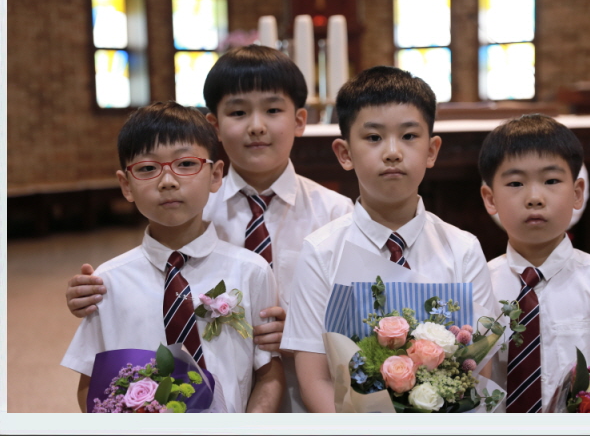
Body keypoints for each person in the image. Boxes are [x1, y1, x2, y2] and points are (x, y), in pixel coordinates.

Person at [64, 45, 354, 412]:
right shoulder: (192, 204)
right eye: (238, 112)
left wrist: (303, 332)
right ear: (214, 125)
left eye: (272, 110)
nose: (256, 126)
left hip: (308, 396)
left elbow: (354, 316)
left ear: (299, 120)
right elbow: (144, 284)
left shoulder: (336, 213)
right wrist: (88, 293)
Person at [280, 66, 498, 412]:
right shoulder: (321, 252)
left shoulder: (463, 250)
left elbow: (479, 370)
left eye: (409, 136)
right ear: (344, 153)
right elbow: (315, 379)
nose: (393, 152)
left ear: (432, 150)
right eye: (373, 138)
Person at [61, 101, 283, 412]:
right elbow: (91, 385)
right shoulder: (107, 282)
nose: (167, 181)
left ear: (216, 175)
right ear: (126, 185)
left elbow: (269, 374)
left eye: (186, 163)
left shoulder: (251, 271)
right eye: (147, 168)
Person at [478, 114, 590, 412]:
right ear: (490, 198)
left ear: (577, 193)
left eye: (551, 181)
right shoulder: (478, 287)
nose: (534, 197)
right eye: (516, 183)